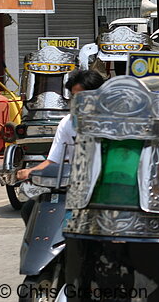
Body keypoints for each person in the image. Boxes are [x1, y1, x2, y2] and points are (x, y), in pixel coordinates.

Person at [16, 69, 104, 223]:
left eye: (83, 97)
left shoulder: (112, 123)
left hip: (102, 187)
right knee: (29, 210)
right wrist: (30, 171)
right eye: (74, 97)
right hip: (72, 185)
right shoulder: (67, 123)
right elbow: (53, 160)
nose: (78, 103)